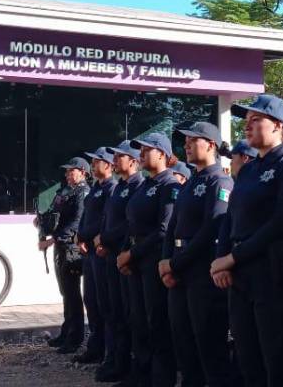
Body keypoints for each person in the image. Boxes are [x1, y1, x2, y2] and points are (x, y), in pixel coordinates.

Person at [211, 94, 283, 387]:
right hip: (240, 275)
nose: (247, 126)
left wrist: (233, 257)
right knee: (247, 359)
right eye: (246, 120)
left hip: (272, 273)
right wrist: (223, 260)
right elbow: (229, 219)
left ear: (279, 125)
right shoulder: (250, 169)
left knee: (278, 361)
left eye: (256, 120)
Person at [159, 121, 236, 387]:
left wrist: (174, 264)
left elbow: (211, 229)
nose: (187, 146)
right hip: (179, 271)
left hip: (201, 273)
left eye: (193, 141)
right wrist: (165, 260)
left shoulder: (220, 181)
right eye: (186, 141)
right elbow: (173, 226)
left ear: (211, 145)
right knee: (184, 342)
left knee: (209, 346)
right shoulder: (192, 181)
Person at [118, 133, 180, 387]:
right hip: (136, 263)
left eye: (146, 150)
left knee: (157, 322)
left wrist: (131, 254)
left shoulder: (170, 186)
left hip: (153, 260)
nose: (141, 154)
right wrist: (125, 253)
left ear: (162, 154)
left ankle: (161, 379)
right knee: (138, 319)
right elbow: (131, 224)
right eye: (140, 151)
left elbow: (163, 229)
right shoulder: (145, 185)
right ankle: (141, 374)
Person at [95, 141, 144, 383]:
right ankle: (113, 358)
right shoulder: (120, 187)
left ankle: (124, 363)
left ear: (133, 161)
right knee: (111, 310)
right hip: (109, 254)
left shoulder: (138, 185)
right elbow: (108, 218)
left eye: (120, 157)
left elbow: (129, 224)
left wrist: (105, 238)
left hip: (123, 256)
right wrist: (101, 241)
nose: (115, 161)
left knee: (126, 314)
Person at [38, 157, 91, 354]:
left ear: (82, 172)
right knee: (65, 293)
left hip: (71, 248)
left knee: (72, 294)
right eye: (67, 171)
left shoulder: (83, 193)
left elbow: (77, 222)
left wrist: (53, 240)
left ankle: (74, 338)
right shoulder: (65, 191)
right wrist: (42, 221)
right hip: (61, 247)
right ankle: (66, 332)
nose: (68, 174)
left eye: (72, 171)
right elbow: (55, 214)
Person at [72, 148, 117, 364]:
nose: (92, 164)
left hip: (100, 250)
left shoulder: (112, 188)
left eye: (97, 161)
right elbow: (85, 216)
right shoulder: (95, 189)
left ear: (107, 165)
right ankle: (95, 346)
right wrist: (80, 235)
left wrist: (96, 237)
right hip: (88, 250)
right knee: (90, 299)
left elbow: (106, 219)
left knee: (103, 302)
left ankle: (108, 351)